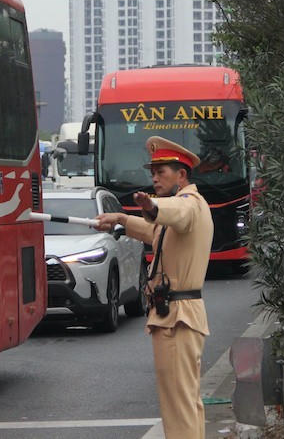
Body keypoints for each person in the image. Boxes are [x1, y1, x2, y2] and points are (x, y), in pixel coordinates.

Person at [94, 136, 213, 439]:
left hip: (177, 318)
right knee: (186, 402)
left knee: (178, 405)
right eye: (153, 172)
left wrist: (152, 204)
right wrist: (122, 218)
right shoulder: (182, 210)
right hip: (178, 315)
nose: (155, 177)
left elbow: (175, 212)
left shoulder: (190, 205)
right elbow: (155, 231)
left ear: (181, 175)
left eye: (162, 171)